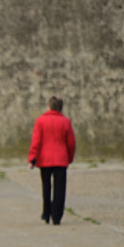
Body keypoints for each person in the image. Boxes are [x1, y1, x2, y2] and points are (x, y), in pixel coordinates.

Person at [28, 96, 76, 225]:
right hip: (61, 159)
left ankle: (46, 212)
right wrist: (69, 158)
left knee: (46, 187)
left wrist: (32, 158)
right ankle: (57, 215)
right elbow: (71, 143)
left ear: (49, 106)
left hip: (45, 159)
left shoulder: (40, 121)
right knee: (60, 189)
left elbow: (36, 141)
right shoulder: (66, 122)